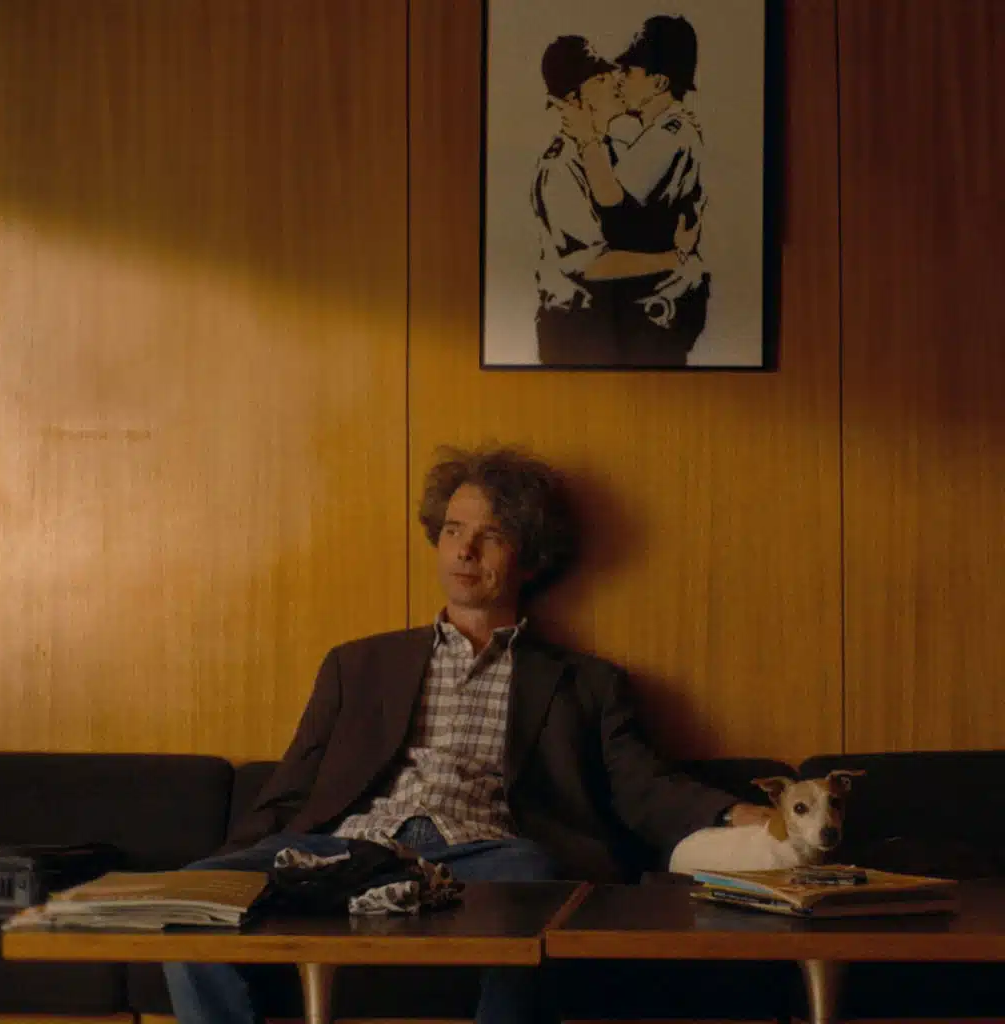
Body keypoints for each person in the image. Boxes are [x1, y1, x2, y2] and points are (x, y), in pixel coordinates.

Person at [165, 444, 767, 1024]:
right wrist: (227, 869)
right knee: (187, 893)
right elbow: (293, 787)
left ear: (530, 558)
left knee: (540, 887)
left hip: (490, 857)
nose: (465, 550)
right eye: (453, 529)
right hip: (355, 848)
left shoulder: (586, 683)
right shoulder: (358, 665)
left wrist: (739, 814)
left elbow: (642, 786)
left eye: (491, 536)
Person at [532, 36, 699, 367]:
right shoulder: (559, 166)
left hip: (624, 324)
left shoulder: (614, 149)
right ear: (574, 100)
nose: (614, 81)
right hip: (574, 331)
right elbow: (593, 265)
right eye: (600, 79)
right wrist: (675, 257)